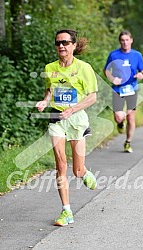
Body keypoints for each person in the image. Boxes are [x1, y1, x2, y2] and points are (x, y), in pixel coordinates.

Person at [36, 29, 98, 226]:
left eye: (65, 42)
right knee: (61, 165)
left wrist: (73, 109)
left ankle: (84, 173)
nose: (61, 46)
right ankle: (66, 211)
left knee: (77, 170)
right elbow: (50, 90)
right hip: (57, 118)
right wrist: (45, 102)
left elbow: (92, 97)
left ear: (73, 45)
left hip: (77, 120)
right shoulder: (50, 68)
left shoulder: (84, 68)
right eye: (58, 43)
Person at [104, 30, 143, 153]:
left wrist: (140, 75)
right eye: (122, 40)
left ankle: (128, 142)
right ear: (120, 42)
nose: (125, 42)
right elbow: (106, 71)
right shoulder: (114, 55)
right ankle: (120, 123)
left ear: (131, 40)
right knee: (118, 117)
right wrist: (113, 79)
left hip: (132, 88)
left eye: (127, 40)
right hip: (117, 89)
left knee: (131, 116)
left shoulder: (137, 55)